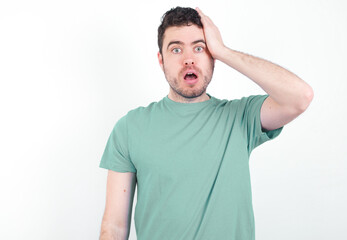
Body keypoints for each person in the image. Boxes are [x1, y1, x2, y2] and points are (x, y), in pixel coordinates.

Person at [99, 6, 313, 240]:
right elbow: (114, 228)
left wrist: (224, 51)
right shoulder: (130, 128)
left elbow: (299, 97)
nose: (189, 59)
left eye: (199, 48)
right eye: (176, 49)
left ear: (212, 57)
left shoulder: (240, 117)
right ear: (161, 60)